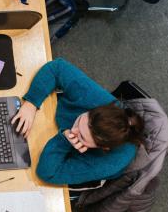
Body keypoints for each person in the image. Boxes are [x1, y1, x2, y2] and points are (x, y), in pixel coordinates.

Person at [10, 58, 145, 185]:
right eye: (80, 120)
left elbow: (47, 173)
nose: (73, 130)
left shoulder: (108, 163)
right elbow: (57, 67)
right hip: (53, 117)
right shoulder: (98, 101)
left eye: (82, 136)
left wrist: (64, 140)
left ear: (103, 147)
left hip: (78, 165)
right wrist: (31, 103)